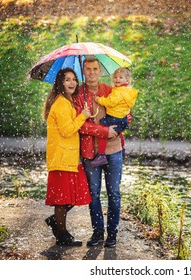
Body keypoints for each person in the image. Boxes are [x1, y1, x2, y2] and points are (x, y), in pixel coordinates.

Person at [73, 56, 127, 248]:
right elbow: (81, 126)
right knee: (93, 194)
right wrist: (104, 130)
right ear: (83, 71)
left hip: (114, 151)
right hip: (90, 152)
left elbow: (126, 113)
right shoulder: (79, 95)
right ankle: (98, 232)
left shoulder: (110, 90)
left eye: (95, 69)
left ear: (100, 70)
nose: (92, 73)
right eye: (88, 69)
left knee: (114, 193)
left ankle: (112, 233)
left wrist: (119, 127)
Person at [43, 68, 91, 246]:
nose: (72, 83)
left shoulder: (67, 101)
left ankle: (56, 221)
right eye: (67, 80)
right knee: (63, 199)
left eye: (74, 79)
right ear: (60, 83)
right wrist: (83, 117)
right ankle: (61, 235)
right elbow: (66, 130)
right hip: (62, 158)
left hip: (69, 158)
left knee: (75, 195)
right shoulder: (61, 103)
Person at [90, 67, 138, 167]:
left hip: (114, 116)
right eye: (115, 77)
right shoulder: (128, 92)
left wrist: (99, 99)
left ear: (127, 80)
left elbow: (110, 102)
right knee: (119, 131)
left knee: (103, 129)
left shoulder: (118, 91)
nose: (117, 79)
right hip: (122, 117)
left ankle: (101, 154)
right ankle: (123, 148)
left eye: (120, 77)